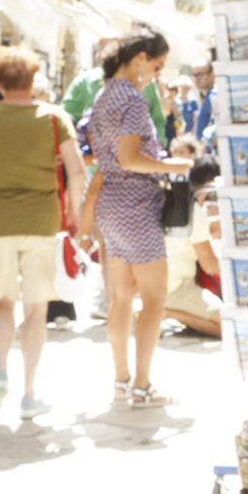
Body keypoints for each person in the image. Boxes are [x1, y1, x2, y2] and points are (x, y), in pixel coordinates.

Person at [0, 48, 85, 419]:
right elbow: (76, 170)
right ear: (34, 80)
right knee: (35, 310)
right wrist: (74, 212)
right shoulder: (53, 117)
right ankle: (29, 393)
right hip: (41, 223)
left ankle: (1, 370)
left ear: (1, 82)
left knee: (3, 304)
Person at [83, 30, 191, 409]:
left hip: (111, 203)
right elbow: (130, 158)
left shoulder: (102, 96)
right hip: (136, 204)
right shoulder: (131, 100)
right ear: (141, 57)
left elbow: (104, 157)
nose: (156, 76)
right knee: (154, 298)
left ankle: (122, 380)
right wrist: (171, 166)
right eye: (157, 67)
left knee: (121, 297)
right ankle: (142, 386)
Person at [163, 149, 222, 337]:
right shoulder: (195, 211)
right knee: (230, 325)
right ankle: (168, 313)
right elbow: (209, 265)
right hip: (177, 288)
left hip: (161, 282)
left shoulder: (175, 202)